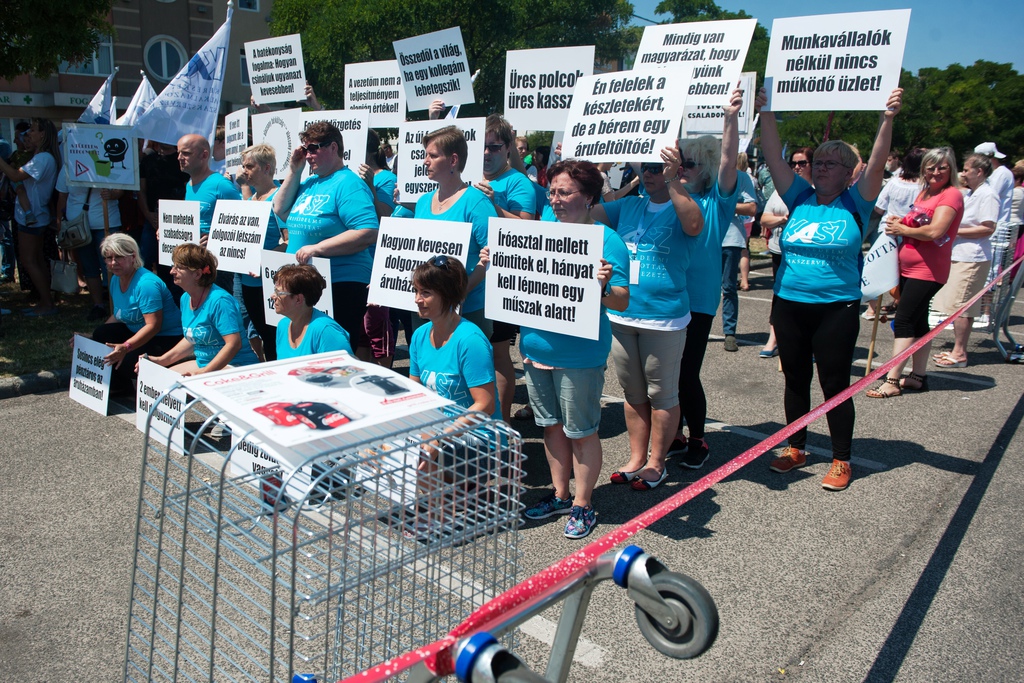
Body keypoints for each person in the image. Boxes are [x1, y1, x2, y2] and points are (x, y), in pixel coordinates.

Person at [755, 86, 903, 492]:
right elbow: (772, 155)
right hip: (789, 303)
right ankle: (796, 446)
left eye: (833, 163)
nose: (821, 168)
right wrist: (766, 112)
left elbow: (876, 163)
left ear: (849, 171)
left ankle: (841, 458)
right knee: (795, 379)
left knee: (835, 383)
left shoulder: (856, 202)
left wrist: (886, 119)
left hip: (835, 307)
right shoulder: (799, 196)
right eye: (818, 162)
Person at [520, 160, 629, 540]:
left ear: (588, 197)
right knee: (550, 427)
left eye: (563, 192)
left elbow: (622, 301)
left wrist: (602, 286)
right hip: (536, 349)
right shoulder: (543, 230)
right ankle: (561, 494)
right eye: (551, 192)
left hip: (580, 355)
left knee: (581, 431)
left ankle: (583, 504)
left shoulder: (607, 241)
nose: (554, 200)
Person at [589, 146, 702, 490]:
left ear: (673, 168)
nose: (650, 173)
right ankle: (637, 458)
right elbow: (585, 212)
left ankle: (657, 463)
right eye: (645, 167)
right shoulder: (628, 205)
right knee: (633, 392)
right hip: (623, 314)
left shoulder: (685, 203)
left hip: (663, 318)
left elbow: (694, 225)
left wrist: (673, 182)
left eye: (658, 167)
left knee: (662, 394)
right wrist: (602, 166)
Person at [671, 88, 744, 469]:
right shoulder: (669, 195)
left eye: (693, 163)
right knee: (664, 375)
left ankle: (698, 438)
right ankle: (675, 432)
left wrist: (729, 118)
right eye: (683, 162)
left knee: (686, 372)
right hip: (666, 298)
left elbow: (730, 160)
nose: (685, 167)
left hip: (697, 300)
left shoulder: (718, 201)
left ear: (708, 167)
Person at [274, 121, 379, 359]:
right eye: (305, 149)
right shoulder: (309, 182)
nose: (308, 155)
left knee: (330, 357)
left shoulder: (349, 183)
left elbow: (368, 231)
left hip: (340, 284)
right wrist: (294, 169)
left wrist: (318, 248)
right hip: (307, 283)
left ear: (333, 147)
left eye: (313, 148)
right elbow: (280, 209)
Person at [867, 147, 963, 398]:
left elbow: (935, 231)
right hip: (909, 266)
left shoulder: (951, 195)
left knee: (904, 321)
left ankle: (892, 379)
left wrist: (902, 229)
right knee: (919, 323)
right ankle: (917, 376)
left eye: (942, 167)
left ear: (951, 169)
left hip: (928, 270)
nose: (935, 172)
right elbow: (919, 223)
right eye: (930, 167)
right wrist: (902, 222)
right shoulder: (925, 193)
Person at [476, 114, 537, 422]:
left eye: (495, 147)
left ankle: (501, 422)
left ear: (509, 148)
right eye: (482, 146)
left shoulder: (517, 182)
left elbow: (528, 227)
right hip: (472, 277)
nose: (487, 153)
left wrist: (494, 206)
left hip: (500, 281)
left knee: (499, 354)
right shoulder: (469, 174)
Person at [412, 126, 495, 337]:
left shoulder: (476, 203)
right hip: (426, 309)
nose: (425, 161)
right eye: (425, 155)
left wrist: (460, 291)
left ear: (453, 160)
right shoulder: (422, 202)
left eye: (432, 155)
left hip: (467, 309)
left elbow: (492, 257)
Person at [930, 153, 1000, 369]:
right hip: (961, 255)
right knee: (957, 305)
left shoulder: (988, 194)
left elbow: (988, 227)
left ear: (979, 172)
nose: (963, 173)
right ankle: (957, 349)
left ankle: (960, 352)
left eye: (967, 170)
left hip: (973, 257)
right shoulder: (973, 193)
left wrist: (954, 231)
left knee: (962, 306)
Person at [146, 244, 260, 375]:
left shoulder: (220, 301)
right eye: (173, 266)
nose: (172, 271)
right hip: (204, 364)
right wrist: (161, 360)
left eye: (179, 267)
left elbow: (233, 344)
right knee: (159, 381)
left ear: (197, 274)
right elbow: (193, 337)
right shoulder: (185, 298)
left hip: (236, 365)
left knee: (177, 390)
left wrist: (204, 372)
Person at [90, 234, 183, 392]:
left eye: (119, 257)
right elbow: (118, 314)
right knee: (101, 333)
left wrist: (126, 347)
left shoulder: (146, 284)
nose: (113, 263)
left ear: (133, 256)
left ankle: (145, 384)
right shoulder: (115, 279)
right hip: (138, 330)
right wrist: (89, 341)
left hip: (166, 337)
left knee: (127, 362)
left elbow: (153, 325)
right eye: (108, 258)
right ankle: (119, 387)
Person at [0, 118, 59, 316]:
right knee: (36, 259)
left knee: (29, 260)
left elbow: (16, 176)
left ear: (43, 134)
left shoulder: (43, 159)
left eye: (33, 130)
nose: (29, 134)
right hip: (36, 214)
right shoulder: (41, 156)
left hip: (33, 216)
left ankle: (47, 304)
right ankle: (45, 301)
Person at [758, 147, 813, 358]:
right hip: (779, 250)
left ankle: (806, 341)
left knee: (805, 297)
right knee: (779, 295)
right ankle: (773, 337)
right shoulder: (782, 190)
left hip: (806, 255)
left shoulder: (817, 190)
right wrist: (784, 220)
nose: (797, 167)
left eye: (802, 163)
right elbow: (764, 219)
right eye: (793, 164)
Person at [864, 147, 927, 321]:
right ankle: (902, 305)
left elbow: (878, 207)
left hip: (887, 230)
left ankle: (873, 308)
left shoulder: (894, 182)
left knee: (880, 267)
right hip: (911, 233)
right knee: (905, 272)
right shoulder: (925, 187)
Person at [236, 143, 284, 361]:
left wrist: (264, 261)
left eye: (249, 166)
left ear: (266, 168)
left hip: (271, 283)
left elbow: (289, 241)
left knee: (275, 337)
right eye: (243, 166)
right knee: (264, 334)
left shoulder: (279, 199)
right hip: (248, 282)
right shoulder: (248, 201)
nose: (244, 171)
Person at [55, 167, 124, 321]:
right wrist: (60, 224)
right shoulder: (68, 166)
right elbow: (62, 197)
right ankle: (98, 306)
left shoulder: (108, 164)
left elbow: (122, 189)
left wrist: (112, 194)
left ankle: (118, 306)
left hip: (106, 223)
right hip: (78, 227)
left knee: (113, 267)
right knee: (89, 267)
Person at [178, 133, 241, 294]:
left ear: (204, 155)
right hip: (193, 261)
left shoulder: (221, 185)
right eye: (179, 152)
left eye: (186, 153)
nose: (179, 157)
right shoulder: (188, 185)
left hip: (216, 267)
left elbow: (241, 224)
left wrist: (215, 239)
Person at [357, 128, 398, 368]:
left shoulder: (386, 179)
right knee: (359, 328)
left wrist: (371, 188)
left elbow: (387, 219)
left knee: (376, 327)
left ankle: (385, 378)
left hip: (376, 263)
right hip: (356, 263)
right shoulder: (345, 178)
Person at [720, 152, 758, 351]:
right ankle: (693, 329)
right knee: (698, 286)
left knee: (728, 287)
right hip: (705, 238)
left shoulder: (742, 178)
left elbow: (752, 208)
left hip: (731, 239)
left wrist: (727, 206)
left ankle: (730, 333)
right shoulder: (706, 176)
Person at [273, 264, 353, 359]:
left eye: (278, 292)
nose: (273, 296)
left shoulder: (326, 331)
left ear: (298, 299)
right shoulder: (283, 325)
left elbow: (346, 371)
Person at [137, 141, 188, 273]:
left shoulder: (181, 161)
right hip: (152, 218)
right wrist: (148, 214)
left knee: (173, 262)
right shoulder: (148, 160)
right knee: (144, 259)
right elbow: (141, 190)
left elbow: (188, 190)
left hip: (176, 220)